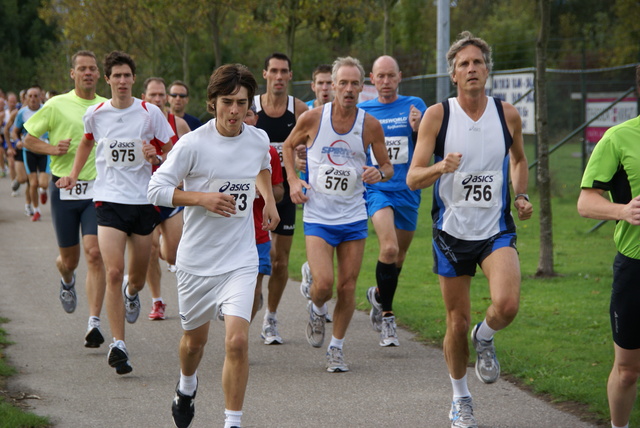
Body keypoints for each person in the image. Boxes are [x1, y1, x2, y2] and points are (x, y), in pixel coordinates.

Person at [406, 31, 533, 428]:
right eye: (464, 64)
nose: (472, 68)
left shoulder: (506, 114)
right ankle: (461, 399)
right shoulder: (437, 116)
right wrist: (439, 167)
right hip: (451, 233)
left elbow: (518, 160)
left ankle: (487, 335)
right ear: (454, 75)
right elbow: (413, 178)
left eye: (478, 62)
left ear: (487, 69)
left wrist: (522, 194)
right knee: (455, 323)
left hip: (495, 228)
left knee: (507, 305)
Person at [148, 63, 279, 428]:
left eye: (241, 103)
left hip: (239, 257)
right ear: (212, 102)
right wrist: (201, 199)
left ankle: (232, 422)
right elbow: (155, 189)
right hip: (197, 262)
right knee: (194, 343)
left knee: (236, 341)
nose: (234, 111)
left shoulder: (257, 138)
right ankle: (187, 385)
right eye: (227, 102)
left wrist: (267, 199)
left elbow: (262, 165)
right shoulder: (193, 144)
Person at [56, 51, 174, 375]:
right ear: (107, 80)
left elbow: (171, 147)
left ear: (134, 79)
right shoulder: (96, 114)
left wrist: (156, 155)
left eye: (127, 76)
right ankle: (118, 345)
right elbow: (86, 143)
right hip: (107, 200)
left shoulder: (150, 113)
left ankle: (133, 292)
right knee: (112, 271)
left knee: (133, 278)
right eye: (116, 76)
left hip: (143, 202)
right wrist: (76, 174)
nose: (122, 81)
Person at [283, 56, 393, 373]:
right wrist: (293, 181)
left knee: (347, 287)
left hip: (353, 216)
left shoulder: (370, 125)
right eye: (342, 83)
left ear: (362, 87)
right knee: (325, 284)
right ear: (332, 87)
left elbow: (387, 166)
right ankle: (317, 307)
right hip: (318, 216)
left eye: (354, 83)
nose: (348, 89)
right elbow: (287, 148)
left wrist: (379, 174)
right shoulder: (314, 119)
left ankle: (336, 348)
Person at [23, 50, 108, 347]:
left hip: (98, 190)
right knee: (69, 260)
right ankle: (67, 280)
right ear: (72, 74)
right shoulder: (56, 104)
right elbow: (28, 138)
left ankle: (94, 323)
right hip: (65, 189)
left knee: (95, 252)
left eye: (92, 69)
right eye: (82, 69)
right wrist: (52, 150)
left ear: (99, 75)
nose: (88, 73)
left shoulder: (106, 107)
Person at [577, 65, 640, 428]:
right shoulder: (618, 138)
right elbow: (586, 203)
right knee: (629, 370)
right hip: (635, 269)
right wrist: (623, 210)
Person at [358, 55, 427, 347]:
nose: (385, 82)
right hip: (378, 189)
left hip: (409, 189)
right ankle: (388, 316)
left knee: (398, 257)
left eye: (391, 76)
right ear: (372, 80)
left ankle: (377, 294)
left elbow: (430, 142)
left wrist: (417, 128)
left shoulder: (416, 106)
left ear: (399, 77)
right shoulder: (362, 110)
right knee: (388, 248)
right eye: (380, 77)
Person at [253, 52, 308, 344]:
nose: (278, 76)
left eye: (283, 71)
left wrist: (301, 161)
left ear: (289, 76)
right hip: (255, 196)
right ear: (265, 74)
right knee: (260, 258)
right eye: (273, 70)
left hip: (284, 192)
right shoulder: (250, 107)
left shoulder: (297, 109)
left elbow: (311, 144)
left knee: (281, 261)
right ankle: (253, 294)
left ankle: (271, 317)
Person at [141, 76, 190, 320]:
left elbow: (194, 156)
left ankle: (165, 248)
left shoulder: (178, 124)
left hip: (171, 195)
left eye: (162, 95)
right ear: (144, 98)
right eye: (153, 95)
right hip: (145, 195)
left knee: (172, 254)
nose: (159, 100)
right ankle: (157, 300)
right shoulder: (135, 123)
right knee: (149, 250)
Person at [244, 105, 284, 321]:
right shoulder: (218, 149)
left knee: (253, 289)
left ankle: (240, 343)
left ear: (256, 119)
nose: (244, 119)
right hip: (226, 233)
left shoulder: (267, 152)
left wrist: (267, 193)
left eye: (248, 115)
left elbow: (279, 190)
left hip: (258, 233)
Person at [13, 85, 50, 221]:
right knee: (33, 183)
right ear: (26, 98)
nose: (33, 99)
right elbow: (15, 131)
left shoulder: (47, 110)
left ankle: (43, 191)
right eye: (30, 96)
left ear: (41, 97)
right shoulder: (22, 113)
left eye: (36, 96)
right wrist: (17, 141)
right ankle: (36, 210)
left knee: (43, 183)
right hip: (28, 151)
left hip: (45, 149)